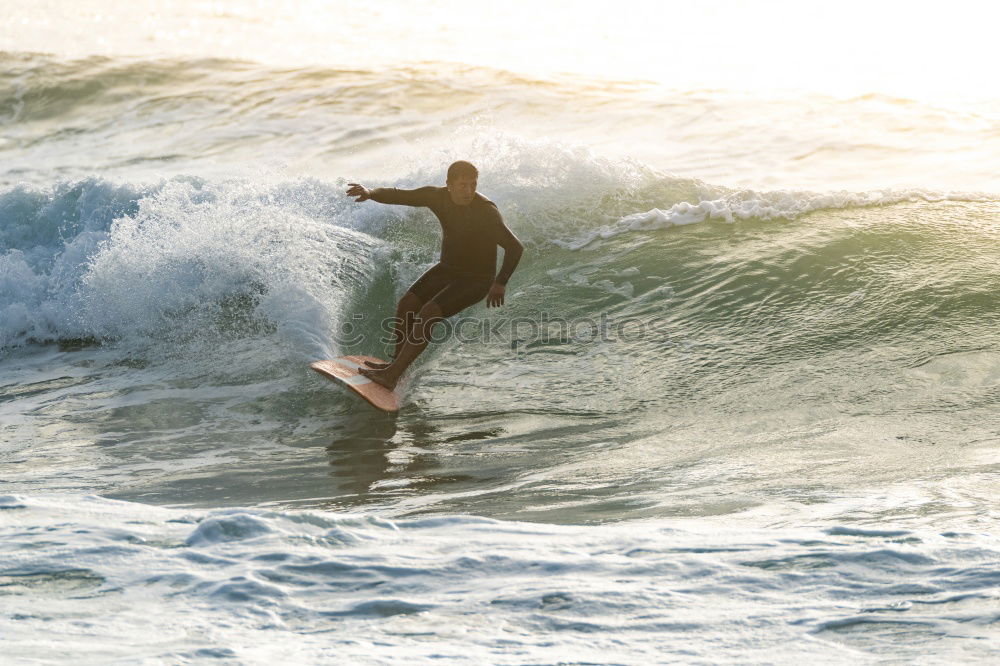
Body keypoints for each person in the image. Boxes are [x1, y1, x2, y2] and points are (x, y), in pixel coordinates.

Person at [346, 160, 523, 390]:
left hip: (476, 279)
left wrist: (500, 282)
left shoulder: (485, 211)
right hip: (448, 269)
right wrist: (370, 193)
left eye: (472, 185)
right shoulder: (436, 196)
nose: (468, 191)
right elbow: (401, 196)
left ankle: (392, 375)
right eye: (462, 185)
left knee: (428, 313)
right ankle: (395, 367)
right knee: (407, 305)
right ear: (448, 184)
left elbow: (515, 247)